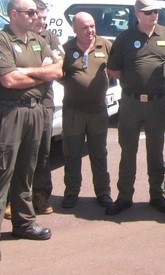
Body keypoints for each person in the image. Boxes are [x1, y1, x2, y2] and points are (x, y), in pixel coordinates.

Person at [0, 0, 62, 264]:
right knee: (1, 172)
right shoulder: (0, 41)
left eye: (36, 13)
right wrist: (40, 72)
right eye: (30, 13)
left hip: (36, 111)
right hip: (8, 113)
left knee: (27, 170)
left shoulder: (37, 40)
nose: (36, 17)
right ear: (14, 14)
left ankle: (24, 223)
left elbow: (58, 70)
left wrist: (29, 71)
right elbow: (9, 79)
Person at [106, 0, 165, 215]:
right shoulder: (125, 38)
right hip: (131, 103)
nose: (154, 15)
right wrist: (132, 82)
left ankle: (157, 196)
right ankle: (125, 197)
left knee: (156, 152)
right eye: (149, 12)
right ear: (137, 15)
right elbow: (113, 69)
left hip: (156, 102)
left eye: (156, 11)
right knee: (128, 152)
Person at [60, 12, 113, 209]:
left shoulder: (105, 45)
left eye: (92, 26)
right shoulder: (66, 48)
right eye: (84, 27)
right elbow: (58, 72)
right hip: (73, 111)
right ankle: (72, 192)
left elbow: (116, 68)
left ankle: (103, 192)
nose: (90, 31)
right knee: (72, 153)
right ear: (74, 29)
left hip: (98, 111)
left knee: (99, 153)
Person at [31, 0, 63, 216]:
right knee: (19, 152)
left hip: (45, 101)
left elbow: (59, 65)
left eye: (45, 18)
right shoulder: (12, 37)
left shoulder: (49, 37)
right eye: (39, 17)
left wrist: (28, 70)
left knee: (43, 151)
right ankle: (12, 198)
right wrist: (40, 69)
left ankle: (40, 196)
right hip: (19, 102)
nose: (42, 22)